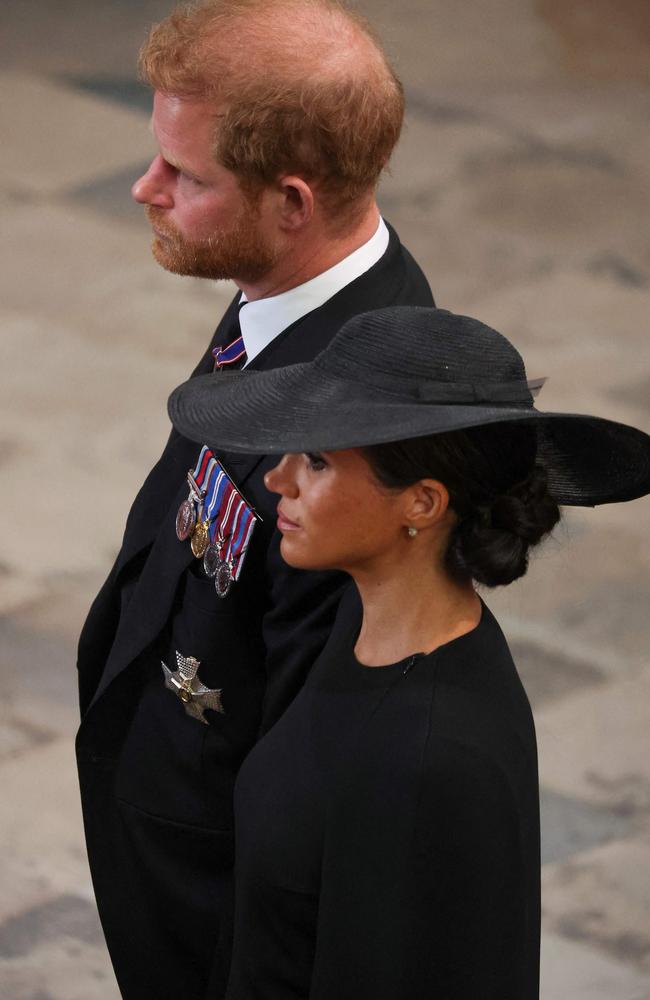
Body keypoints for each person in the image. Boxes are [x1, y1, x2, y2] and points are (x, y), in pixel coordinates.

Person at [75, 1, 434, 997]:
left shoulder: (360, 440)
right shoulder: (285, 290)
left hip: (223, 911)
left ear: (290, 202)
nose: (145, 188)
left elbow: (319, 781)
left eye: (184, 176)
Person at [168, 305, 650, 999]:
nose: (277, 483)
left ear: (421, 504)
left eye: (317, 460)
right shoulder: (365, 630)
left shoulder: (427, 757)